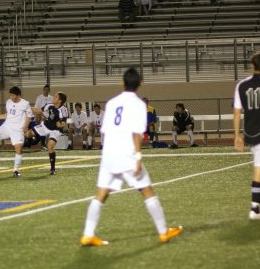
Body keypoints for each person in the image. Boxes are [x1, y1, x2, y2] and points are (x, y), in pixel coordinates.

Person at [80, 67, 183, 247]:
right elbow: (136, 133)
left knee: (101, 194)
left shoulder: (112, 103)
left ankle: (87, 234)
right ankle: (163, 232)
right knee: (147, 190)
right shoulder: (138, 105)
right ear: (141, 83)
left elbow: (104, 130)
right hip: (126, 154)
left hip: (109, 154)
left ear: (122, 82)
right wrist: (138, 156)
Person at [233, 52, 260, 220]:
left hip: (250, 131)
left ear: (252, 65)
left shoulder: (241, 85)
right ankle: (255, 207)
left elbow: (237, 111)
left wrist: (237, 135)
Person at [31, 92, 69, 174]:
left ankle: (52, 169)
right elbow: (38, 110)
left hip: (55, 130)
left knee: (50, 146)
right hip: (46, 125)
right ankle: (32, 142)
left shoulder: (63, 109)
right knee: (28, 134)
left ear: (60, 100)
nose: (53, 97)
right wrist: (27, 107)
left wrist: (59, 125)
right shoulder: (49, 105)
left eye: (56, 97)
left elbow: (63, 124)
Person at [33, 84, 53, 149]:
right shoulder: (39, 97)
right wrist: (41, 116)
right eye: (45, 89)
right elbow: (36, 109)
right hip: (41, 116)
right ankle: (43, 144)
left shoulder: (51, 98)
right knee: (43, 128)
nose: (46, 91)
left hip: (50, 117)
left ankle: (49, 144)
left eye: (48, 90)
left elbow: (53, 108)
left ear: (49, 90)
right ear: (43, 90)